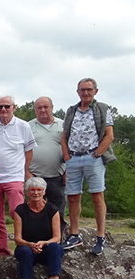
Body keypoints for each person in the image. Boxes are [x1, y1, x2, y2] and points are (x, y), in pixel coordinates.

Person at [0, 96, 37, 256]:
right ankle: (2, 251)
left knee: (18, 213)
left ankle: (23, 247)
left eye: (7, 106)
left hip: (14, 177)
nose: (3, 110)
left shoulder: (23, 126)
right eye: (0, 107)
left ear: (14, 107)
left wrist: (25, 171)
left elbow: (29, 152)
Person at [61, 78, 115, 255]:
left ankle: (100, 236)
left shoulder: (103, 109)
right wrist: (67, 156)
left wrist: (97, 154)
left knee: (97, 196)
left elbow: (109, 135)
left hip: (93, 157)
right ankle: (74, 234)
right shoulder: (71, 111)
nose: (86, 93)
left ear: (95, 91)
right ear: (77, 92)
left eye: (89, 90)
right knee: (73, 197)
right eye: (82, 90)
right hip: (74, 158)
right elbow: (64, 136)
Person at [13, 177, 65, 279]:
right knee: (24, 251)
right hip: (27, 247)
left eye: (39, 190)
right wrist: (30, 244)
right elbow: (17, 238)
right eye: (32, 190)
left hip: (47, 248)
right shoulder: (20, 210)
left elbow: (57, 237)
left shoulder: (52, 210)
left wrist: (44, 243)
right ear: (27, 192)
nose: (36, 193)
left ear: (44, 192)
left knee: (56, 248)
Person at [28, 97, 66, 233]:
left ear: (52, 107)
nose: (43, 110)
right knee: (35, 212)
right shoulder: (28, 126)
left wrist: (67, 172)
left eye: (46, 107)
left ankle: (57, 243)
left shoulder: (63, 125)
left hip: (57, 177)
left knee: (58, 212)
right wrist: (26, 173)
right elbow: (21, 151)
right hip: (35, 177)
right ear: (35, 110)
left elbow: (69, 149)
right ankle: (36, 243)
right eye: (39, 108)